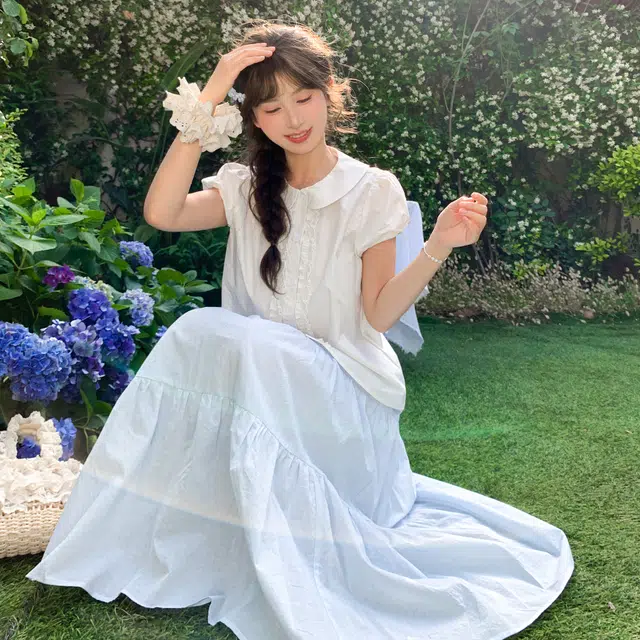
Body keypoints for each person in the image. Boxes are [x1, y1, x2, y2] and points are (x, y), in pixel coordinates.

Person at [27, 21, 574, 640]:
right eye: (270, 107)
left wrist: (440, 245)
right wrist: (214, 88)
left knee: (235, 336)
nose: (292, 118)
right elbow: (163, 212)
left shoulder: (372, 189)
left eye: (304, 97)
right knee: (200, 332)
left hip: (343, 389)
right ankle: (155, 510)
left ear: (330, 93)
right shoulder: (245, 186)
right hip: (262, 382)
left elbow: (376, 317)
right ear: (253, 119)